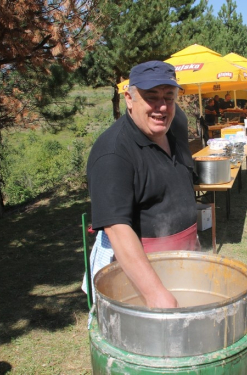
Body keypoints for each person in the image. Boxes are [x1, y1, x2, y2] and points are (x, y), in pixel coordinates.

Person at [84, 61, 198, 309]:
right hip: (141, 272)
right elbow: (117, 229)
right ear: (129, 98)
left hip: (184, 259)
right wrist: (156, 295)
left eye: (169, 96)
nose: (162, 107)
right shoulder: (113, 154)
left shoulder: (175, 123)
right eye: (151, 97)